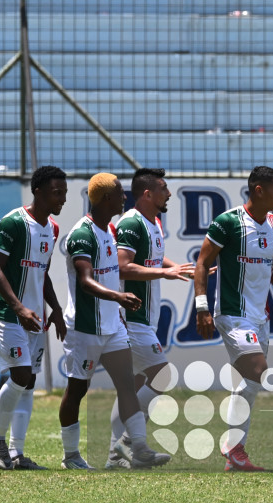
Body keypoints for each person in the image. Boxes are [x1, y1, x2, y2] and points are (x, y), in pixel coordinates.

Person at [194, 165, 273, 472]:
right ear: (259, 190)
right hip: (232, 313)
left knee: (248, 383)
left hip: (260, 317)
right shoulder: (228, 223)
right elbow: (202, 263)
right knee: (257, 369)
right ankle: (232, 446)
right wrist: (202, 307)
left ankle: (236, 456)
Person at [58, 172, 165, 470]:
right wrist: (118, 297)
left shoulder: (110, 231)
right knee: (77, 390)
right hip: (85, 328)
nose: (124, 197)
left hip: (113, 326)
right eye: (119, 193)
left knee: (127, 387)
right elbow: (85, 281)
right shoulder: (83, 233)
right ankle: (71, 456)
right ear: (106, 198)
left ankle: (138, 448)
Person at [105, 168, 197, 469]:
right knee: (163, 375)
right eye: (163, 188)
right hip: (130, 318)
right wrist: (164, 272)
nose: (168, 193)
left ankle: (115, 456)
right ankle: (129, 443)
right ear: (147, 194)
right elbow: (122, 266)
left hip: (144, 318)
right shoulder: (131, 222)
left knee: (131, 387)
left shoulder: (153, 222)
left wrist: (180, 267)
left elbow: (154, 258)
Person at [0, 165, 68, 470]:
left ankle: (17, 453)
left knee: (29, 381)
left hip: (35, 316)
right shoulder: (13, 222)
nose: (62, 199)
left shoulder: (53, 229)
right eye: (56, 192)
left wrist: (56, 310)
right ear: (38, 191)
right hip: (8, 312)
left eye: (65, 193)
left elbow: (42, 273)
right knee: (20, 375)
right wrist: (19, 307)